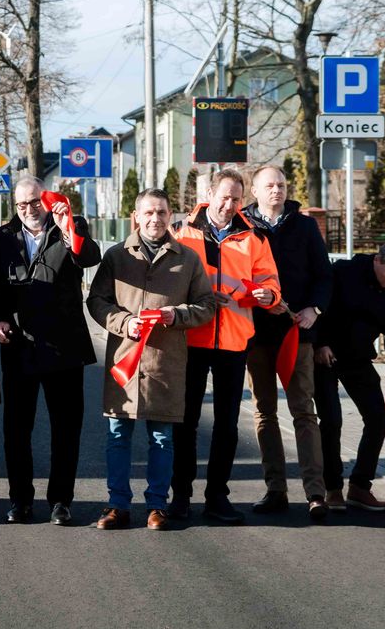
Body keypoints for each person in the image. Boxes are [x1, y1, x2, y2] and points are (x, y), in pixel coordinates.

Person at [87, 188, 216, 530]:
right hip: (125, 362)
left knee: (162, 438)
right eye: (148, 213)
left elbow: (207, 305)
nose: (155, 219)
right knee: (118, 435)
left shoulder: (187, 259)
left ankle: (157, 505)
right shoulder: (116, 256)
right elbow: (96, 301)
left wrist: (179, 315)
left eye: (161, 212)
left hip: (165, 362)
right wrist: (124, 322)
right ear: (137, 216)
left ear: (169, 215)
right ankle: (117, 505)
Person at [171, 168, 281, 525]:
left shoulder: (254, 238)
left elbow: (270, 282)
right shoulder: (182, 233)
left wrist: (269, 295)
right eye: (225, 197)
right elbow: (169, 283)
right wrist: (199, 298)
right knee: (185, 420)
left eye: (236, 199)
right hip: (192, 338)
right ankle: (181, 495)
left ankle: (217, 496)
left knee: (228, 424)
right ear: (210, 193)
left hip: (234, 340)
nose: (230, 204)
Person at [0, 177, 101, 526]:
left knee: (66, 428)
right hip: (20, 345)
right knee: (16, 429)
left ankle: (61, 500)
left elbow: (88, 257)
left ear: (47, 199)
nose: (28, 210)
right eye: (21, 205)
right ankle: (20, 500)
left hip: (64, 346)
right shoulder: (3, 237)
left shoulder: (69, 225)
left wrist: (68, 224)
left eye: (34, 202)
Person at [241, 166, 331, 520]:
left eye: (281, 184)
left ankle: (315, 493)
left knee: (304, 412)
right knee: (264, 412)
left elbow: (324, 276)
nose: (276, 190)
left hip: (297, 332)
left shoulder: (304, 225)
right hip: (256, 334)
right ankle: (275, 488)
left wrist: (314, 309)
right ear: (255, 190)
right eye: (269, 185)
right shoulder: (243, 225)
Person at [313, 241, 385, 512]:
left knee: (377, 417)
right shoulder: (346, 272)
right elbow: (320, 304)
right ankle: (332, 487)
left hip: (357, 357)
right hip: (325, 353)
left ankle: (360, 486)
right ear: (378, 261)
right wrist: (319, 343)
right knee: (332, 419)